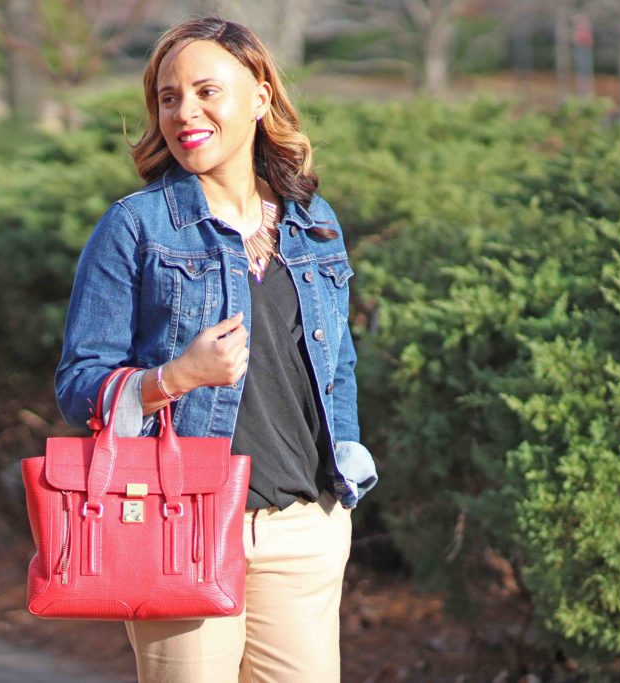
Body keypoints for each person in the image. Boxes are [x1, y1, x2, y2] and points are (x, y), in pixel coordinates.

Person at [55, 17, 378, 683]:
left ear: (260, 97)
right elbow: (78, 381)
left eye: (207, 91)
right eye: (168, 97)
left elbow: (337, 363)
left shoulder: (314, 223)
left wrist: (342, 477)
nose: (185, 112)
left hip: (302, 527)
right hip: (182, 524)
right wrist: (172, 378)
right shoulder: (134, 229)